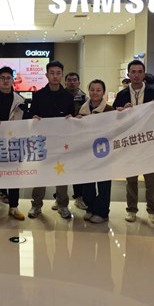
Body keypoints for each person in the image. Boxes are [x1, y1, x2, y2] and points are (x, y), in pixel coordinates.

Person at [113, 60, 154, 225]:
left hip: (149, 142)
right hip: (130, 143)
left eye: (139, 71)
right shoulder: (121, 95)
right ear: (128, 74)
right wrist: (120, 112)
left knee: (151, 180)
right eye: (133, 72)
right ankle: (131, 209)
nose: (136, 75)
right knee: (131, 180)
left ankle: (153, 210)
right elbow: (114, 119)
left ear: (144, 74)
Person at [26, 60, 75, 219]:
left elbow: (72, 117)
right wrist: (33, 118)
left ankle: (62, 205)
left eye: (58, 73)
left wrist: (71, 119)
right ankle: (36, 205)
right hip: (42, 143)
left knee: (62, 175)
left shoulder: (68, 96)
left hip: (61, 143)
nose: (55, 76)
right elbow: (31, 116)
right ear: (46, 75)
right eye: (52, 73)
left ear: (62, 75)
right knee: (40, 175)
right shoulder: (38, 95)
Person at [0, 66, 27, 221]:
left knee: (14, 175)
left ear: (13, 80)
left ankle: (14, 207)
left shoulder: (21, 100)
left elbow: (27, 120)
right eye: (2, 78)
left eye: (8, 78)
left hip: (14, 144)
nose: (6, 81)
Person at [77, 79, 114, 223]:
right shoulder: (81, 110)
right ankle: (90, 209)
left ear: (103, 92)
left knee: (104, 184)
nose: (95, 93)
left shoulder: (110, 110)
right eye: (92, 90)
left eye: (98, 90)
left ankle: (102, 212)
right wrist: (72, 120)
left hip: (104, 154)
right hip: (86, 153)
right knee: (87, 183)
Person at [64, 72, 88, 210]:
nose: (72, 82)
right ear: (65, 82)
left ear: (79, 82)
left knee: (78, 168)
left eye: (74, 80)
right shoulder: (60, 95)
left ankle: (79, 197)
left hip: (79, 138)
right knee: (62, 168)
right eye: (69, 80)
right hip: (63, 137)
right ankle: (60, 198)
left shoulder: (85, 98)